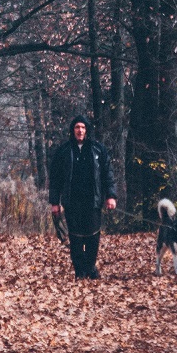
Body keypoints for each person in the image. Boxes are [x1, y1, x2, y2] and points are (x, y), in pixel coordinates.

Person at [48, 114, 116, 279]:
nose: (80, 130)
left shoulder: (98, 149)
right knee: (76, 239)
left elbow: (108, 174)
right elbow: (55, 179)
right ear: (72, 130)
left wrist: (111, 196)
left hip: (93, 201)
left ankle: (90, 267)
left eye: (83, 127)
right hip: (72, 202)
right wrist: (54, 203)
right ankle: (80, 271)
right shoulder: (63, 151)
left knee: (93, 237)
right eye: (77, 127)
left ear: (87, 130)